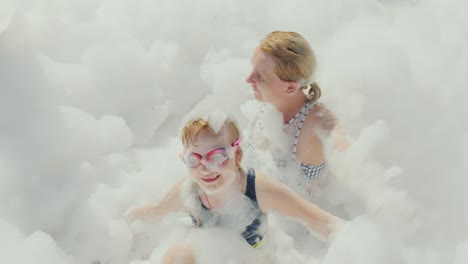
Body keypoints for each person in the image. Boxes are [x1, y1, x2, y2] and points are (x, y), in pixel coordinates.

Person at [126, 113, 345, 264]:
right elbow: (154, 209)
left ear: (237, 155)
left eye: (218, 156)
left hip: (253, 257)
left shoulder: (258, 190)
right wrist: (122, 223)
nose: (206, 168)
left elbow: (317, 219)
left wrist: (353, 240)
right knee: (177, 255)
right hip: (211, 252)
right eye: (195, 159)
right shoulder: (189, 192)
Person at [244, 31, 347, 200]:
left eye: (260, 76)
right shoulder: (261, 101)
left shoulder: (317, 122)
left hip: (295, 222)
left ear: (290, 88)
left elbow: (354, 156)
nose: (248, 79)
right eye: (252, 69)